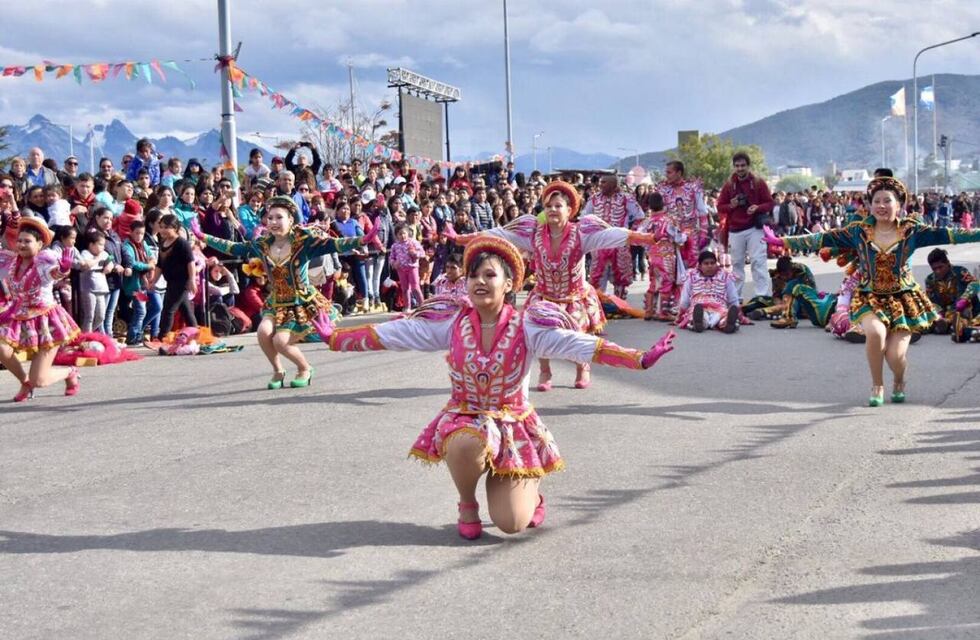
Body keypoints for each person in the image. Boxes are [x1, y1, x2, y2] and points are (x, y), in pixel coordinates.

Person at [317, 236, 676, 539]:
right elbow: (398, 333)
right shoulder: (452, 322)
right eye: (473, 275)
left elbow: (577, 344)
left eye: (490, 275)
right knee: (464, 443)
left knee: (511, 523)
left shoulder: (528, 326)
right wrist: (337, 338)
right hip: (467, 419)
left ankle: (530, 496)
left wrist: (638, 359)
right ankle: (467, 503)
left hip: (512, 425)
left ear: (509, 284)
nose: (479, 282)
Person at [763, 176, 980, 406]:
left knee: (896, 357)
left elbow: (952, 234)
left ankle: (899, 379)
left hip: (904, 300)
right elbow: (821, 238)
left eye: (887, 201)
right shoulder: (858, 231)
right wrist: (782, 241)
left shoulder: (912, 230)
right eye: (876, 201)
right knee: (875, 334)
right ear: (870, 205)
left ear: (899, 204)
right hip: (870, 297)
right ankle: (877, 385)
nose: (881, 206)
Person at [448, 180, 657, 390]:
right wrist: (460, 239)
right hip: (544, 296)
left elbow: (612, 235)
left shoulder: (581, 233)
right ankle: (545, 371)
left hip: (573, 297)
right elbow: (499, 234)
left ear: (569, 210)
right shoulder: (533, 233)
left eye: (558, 206)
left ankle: (582, 367)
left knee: (577, 334)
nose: (552, 210)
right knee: (538, 333)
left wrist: (648, 238)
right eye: (548, 206)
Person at [192, 196, 379, 388]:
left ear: (290, 220)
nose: (273, 222)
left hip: (300, 301)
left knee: (281, 341)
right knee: (263, 333)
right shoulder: (262, 245)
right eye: (270, 218)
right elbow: (234, 248)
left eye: (279, 217)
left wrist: (363, 239)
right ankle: (278, 370)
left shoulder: (303, 242)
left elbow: (335, 244)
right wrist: (203, 236)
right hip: (276, 301)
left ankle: (304, 368)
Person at [0, 218, 81, 401]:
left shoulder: (43, 263)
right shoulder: (13, 262)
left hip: (46, 321)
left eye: (27, 241)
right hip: (18, 317)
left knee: (40, 380)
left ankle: (70, 372)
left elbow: (54, 273)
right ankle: (25, 382)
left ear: (39, 244)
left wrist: (63, 269)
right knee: (2, 349)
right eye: (20, 240)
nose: (21, 244)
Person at [717, 152, 774, 299]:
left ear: (748, 166)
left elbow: (770, 203)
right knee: (736, 264)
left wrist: (757, 207)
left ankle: (762, 295)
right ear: (734, 167)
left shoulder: (758, 182)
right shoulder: (729, 185)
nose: (740, 169)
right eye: (737, 166)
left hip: (754, 228)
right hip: (735, 230)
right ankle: (736, 297)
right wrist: (732, 205)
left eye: (743, 165)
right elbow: (720, 206)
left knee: (758, 261)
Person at [583, 175, 644, 299]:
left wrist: (630, 234)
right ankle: (598, 305)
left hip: (619, 244)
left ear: (613, 184)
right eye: (601, 182)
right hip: (599, 245)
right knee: (597, 280)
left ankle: (620, 305)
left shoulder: (626, 199)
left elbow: (640, 216)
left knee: (620, 279)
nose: (600, 185)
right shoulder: (594, 199)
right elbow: (585, 218)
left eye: (604, 182)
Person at [639, 192, 686, 321]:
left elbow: (639, 238)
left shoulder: (646, 222)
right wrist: (685, 236)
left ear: (649, 205)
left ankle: (649, 311)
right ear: (663, 203)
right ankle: (663, 312)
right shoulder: (669, 220)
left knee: (654, 281)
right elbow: (679, 238)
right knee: (666, 281)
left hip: (652, 255)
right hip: (666, 255)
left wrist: (649, 248)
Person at [655, 161, 709, 269]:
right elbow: (660, 213)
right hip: (671, 234)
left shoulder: (693, 187)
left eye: (669, 172)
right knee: (672, 268)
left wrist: (704, 233)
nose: (666, 175)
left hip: (691, 234)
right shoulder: (663, 189)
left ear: (679, 173)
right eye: (666, 172)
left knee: (693, 266)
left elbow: (702, 211)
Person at [152, 214, 199, 339]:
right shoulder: (163, 243)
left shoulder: (182, 243)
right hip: (171, 281)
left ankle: (162, 337)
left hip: (181, 282)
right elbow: (159, 265)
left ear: (175, 228)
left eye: (166, 227)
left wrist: (192, 280)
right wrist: (153, 282)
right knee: (185, 310)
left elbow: (190, 262)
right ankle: (195, 333)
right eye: (161, 227)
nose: (163, 230)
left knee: (169, 309)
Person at [675, 250, 741, 333]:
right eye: (706, 263)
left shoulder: (725, 276)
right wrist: (682, 311)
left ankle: (727, 324)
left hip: (719, 307)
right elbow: (685, 298)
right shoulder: (691, 276)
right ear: (700, 266)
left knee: (723, 316)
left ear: (716, 264)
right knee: (696, 315)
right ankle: (699, 323)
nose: (710, 266)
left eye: (712, 263)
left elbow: (733, 296)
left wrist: (737, 309)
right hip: (699, 306)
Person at [924, 248, 977, 334]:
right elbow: (932, 301)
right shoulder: (930, 279)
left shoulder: (960, 271)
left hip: (962, 308)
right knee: (924, 310)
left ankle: (951, 325)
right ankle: (941, 325)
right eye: (934, 269)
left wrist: (964, 300)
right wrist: (939, 314)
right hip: (943, 311)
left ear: (947, 263)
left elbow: (974, 286)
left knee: (963, 310)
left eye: (940, 267)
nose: (938, 271)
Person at [389, 224, 424, 312]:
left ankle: (422, 305)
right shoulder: (395, 246)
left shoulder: (413, 242)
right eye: (400, 234)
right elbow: (391, 258)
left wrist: (415, 254)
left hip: (412, 267)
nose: (402, 236)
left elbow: (422, 253)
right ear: (396, 235)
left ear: (408, 233)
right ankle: (407, 307)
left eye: (404, 233)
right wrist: (394, 263)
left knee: (415, 287)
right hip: (401, 269)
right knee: (405, 289)